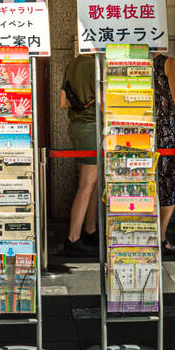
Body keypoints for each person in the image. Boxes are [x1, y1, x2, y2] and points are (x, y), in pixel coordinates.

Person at [60, 51, 100, 259]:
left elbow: (63, 102)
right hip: (91, 127)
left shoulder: (71, 65)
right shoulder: (96, 66)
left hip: (76, 126)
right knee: (86, 183)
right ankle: (73, 238)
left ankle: (90, 230)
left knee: (92, 182)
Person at [152, 51, 175, 256]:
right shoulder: (168, 63)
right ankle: (160, 237)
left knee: (151, 180)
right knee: (168, 181)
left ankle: (150, 234)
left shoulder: (136, 65)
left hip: (145, 127)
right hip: (167, 130)